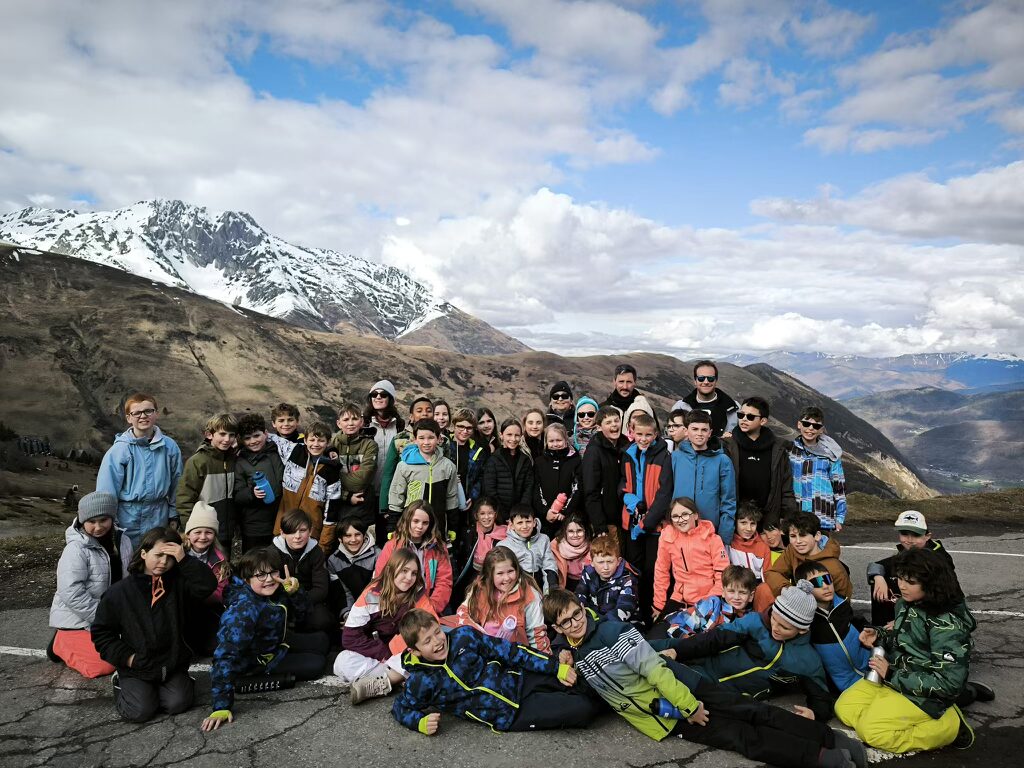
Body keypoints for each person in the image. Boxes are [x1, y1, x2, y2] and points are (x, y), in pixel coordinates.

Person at [545, 589, 865, 768]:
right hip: (666, 714)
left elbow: (656, 670)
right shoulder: (576, 651)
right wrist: (562, 660)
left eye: (577, 614)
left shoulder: (613, 633)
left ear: (583, 608)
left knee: (753, 717)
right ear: (557, 629)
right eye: (566, 622)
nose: (575, 623)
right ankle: (825, 755)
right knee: (744, 734)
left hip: (687, 693)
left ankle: (829, 743)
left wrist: (688, 707)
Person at [835, 548, 994, 754]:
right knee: (844, 708)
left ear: (931, 583)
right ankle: (893, 711)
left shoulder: (947, 625)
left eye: (910, 582)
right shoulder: (907, 603)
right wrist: (879, 635)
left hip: (922, 692)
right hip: (897, 678)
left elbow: (949, 684)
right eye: (900, 578)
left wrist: (891, 675)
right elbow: (905, 639)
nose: (901, 586)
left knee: (872, 732)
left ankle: (950, 727)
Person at [393, 609, 597, 735]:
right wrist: (419, 722)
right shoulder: (420, 681)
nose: (438, 641)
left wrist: (554, 667)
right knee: (583, 709)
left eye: (437, 632)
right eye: (427, 641)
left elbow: (510, 651)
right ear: (415, 651)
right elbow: (400, 707)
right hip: (508, 714)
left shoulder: (464, 636)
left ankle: (609, 697)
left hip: (518, 679)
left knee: (584, 683)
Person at [663, 580, 835, 725]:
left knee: (669, 682)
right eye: (774, 619)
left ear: (802, 629)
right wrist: (678, 651)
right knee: (657, 651)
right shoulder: (756, 622)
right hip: (706, 662)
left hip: (723, 693)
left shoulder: (807, 661)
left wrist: (815, 714)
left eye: (785, 627)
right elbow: (715, 639)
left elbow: (822, 696)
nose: (775, 628)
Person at [91, 527, 217, 723]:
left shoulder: (180, 584)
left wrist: (184, 559)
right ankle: (124, 684)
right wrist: (129, 659)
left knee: (178, 704)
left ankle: (162, 689)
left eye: (170, 557)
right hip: (137, 666)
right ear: (143, 553)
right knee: (140, 711)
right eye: (158, 555)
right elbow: (102, 633)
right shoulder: (119, 592)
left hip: (172, 664)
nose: (164, 562)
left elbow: (207, 585)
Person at [201, 547, 329, 732]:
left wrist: (295, 592)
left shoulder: (275, 589)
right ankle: (250, 678)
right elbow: (225, 656)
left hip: (276, 643)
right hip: (259, 661)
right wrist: (221, 707)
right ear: (247, 579)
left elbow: (304, 614)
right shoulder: (243, 610)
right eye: (260, 575)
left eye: (273, 572)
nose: (269, 579)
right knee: (317, 663)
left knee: (323, 641)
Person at [48, 491, 133, 678]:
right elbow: (71, 593)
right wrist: (104, 618)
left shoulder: (124, 540)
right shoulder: (75, 549)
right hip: (80, 619)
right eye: (91, 521)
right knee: (104, 665)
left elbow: (129, 579)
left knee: (139, 646)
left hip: (111, 616)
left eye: (103, 520)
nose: (98, 527)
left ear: (112, 517)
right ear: (82, 520)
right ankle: (60, 642)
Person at [335, 549, 437, 704]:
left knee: (426, 650)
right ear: (392, 569)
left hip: (405, 651)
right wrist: (384, 654)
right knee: (342, 662)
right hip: (378, 654)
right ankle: (401, 678)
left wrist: (398, 651)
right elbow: (350, 637)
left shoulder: (418, 593)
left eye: (414, 573)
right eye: (404, 571)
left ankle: (385, 682)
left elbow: (431, 626)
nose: (409, 578)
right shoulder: (372, 594)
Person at [95, 393, 183, 548]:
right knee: (128, 559)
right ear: (129, 418)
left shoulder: (169, 447)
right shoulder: (119, 450)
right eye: (136, 413)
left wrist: (173, 514)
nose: (143, 416)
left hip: (159, 517)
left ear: (156, 413)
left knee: (157, 557)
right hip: (127, 519)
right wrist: (109, 521)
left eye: (148, 411)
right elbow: (106, 491)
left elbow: (178, 483)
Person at [620, 412, 674, 619]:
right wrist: (630, 500)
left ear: (656, 434)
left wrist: (645, 524)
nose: (643, 439)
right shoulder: (627, 453)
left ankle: (653, 613)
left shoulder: (664, 457)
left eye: (648, 435)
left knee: (653, 572)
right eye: (639, 434)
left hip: (653, 527)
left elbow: (664, 494)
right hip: (631, 522)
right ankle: (635, 612)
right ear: (632, 433)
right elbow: (622, 483)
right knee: (633, 570)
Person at [866, 510, 961, 626]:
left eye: (916, 535)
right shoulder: (909, 553)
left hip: (936, 616)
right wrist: (878, 577)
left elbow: (945, 598)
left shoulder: (937, 560)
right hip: (915, 611)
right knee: (883, 576)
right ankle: (880, 627)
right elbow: (877, 565)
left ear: (927, 536)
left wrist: (904, 620)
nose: (909, 540)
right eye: (904, 533)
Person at [454, 547, 550, 651]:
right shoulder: (480, 588)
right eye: (500, 573)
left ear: (517, 570)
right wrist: (482, 637)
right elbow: (463, 613)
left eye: (510, 571)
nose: (507, 578)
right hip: (484, 649)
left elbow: (537, 637)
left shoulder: (530, 596)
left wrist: (544, 659)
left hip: (515, 655)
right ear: (490, 575)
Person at [269, 421, 343, 553]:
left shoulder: (332, 470)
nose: (316, 444)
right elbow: (268, 437)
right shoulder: (294, 451)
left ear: (328, 443)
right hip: (284, 525)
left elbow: (331, 510)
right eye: (312, 440)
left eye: (321, 441)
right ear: (305, 440)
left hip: (311, 532)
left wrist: (324, 546)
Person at [723, 397, 797, 530]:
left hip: (768, 521)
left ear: (763, 421)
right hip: (736, 520)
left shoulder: (778, 450)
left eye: (750, 417)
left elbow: (786, 490)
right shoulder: (728, 446)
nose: (744, 419)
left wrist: (787, 520)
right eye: (741, 415)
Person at [798, 561, 868, 694]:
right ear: (805, 588)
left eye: (827, 579)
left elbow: (858, 624)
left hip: (869, 668)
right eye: (817, 582)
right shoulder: (807, 619)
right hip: (842, 684)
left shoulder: (842, 604)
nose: (825, 586)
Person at [653, 498, 729, 620]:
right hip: (680, 598)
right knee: (660, 630)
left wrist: (710, 600)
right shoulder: (667, 537)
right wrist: (659, 604)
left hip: (708, 598)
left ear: (695, 515)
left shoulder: (712, 539)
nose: (680, 520)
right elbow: (661, 571)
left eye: (685, 514)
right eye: (675, 516)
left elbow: (723, 572)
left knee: (699, 630)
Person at [670, 410, 736, 545]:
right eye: (694, 429)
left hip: (710, 533)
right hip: (679, 530)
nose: (699, 434)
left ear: (710, 433)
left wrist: (724, 537)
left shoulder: (722, 460)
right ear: (686, 431)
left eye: (704, 430)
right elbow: (667, 492)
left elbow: (728, 500)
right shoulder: (675, 457)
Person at [376, 500, 454, 615]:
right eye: (415, 521)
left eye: (425, 523)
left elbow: (444, 581)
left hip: (430, 603)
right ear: (407, 520)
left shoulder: (439, 547)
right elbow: (381, 578)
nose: (420, 527)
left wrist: (431, 607)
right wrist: (397, 607)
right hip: (399, 605)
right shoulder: (392, 546)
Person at [387, 419, 460, 539]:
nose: (426, 442)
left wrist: (453, 527)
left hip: (438, 526)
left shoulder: (448, 466)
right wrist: (392, 527)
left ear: (439, 439)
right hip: (412, 526)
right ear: (415, 439)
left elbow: (451, 497)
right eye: (421, 438)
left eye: (431, 438)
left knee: (435, 551)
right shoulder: (404, 466)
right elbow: (396, 497)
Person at [762, 512, 853, 606]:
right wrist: (789, 590)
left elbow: (844, 602)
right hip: (797, 603)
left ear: (817, 536)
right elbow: (773, 573)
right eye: (793, 536)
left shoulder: (834, 567)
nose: (798, 541)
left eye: (803, 535)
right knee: (763, 588)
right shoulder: (792, 550)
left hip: (821, 609)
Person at [175, 413, 237, 545]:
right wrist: (190, 529)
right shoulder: (198, 461)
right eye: (222, 434)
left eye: (231, 435)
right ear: (209, 435)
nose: (227, 439)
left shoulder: (233, 460)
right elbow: (185, 499)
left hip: (226, 530)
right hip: (203, 532)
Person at [271, 509, 333, 633]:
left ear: (310, 531)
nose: (297, 536)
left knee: (324, 620)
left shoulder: (316, 552)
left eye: (302, 530)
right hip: (281, 599)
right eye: (291, 531)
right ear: (282, 533)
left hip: (308, 598)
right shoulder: (272, 553)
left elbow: (321, 589)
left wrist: (300, 599)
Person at [182, 502, 231, 655]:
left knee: (211, 647)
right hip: (180, 607)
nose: (203, 537)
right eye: (197, 532)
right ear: (188, 534)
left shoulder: (219, 559)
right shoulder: (179, 554)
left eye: (208, 532)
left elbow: (219, 592)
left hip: (206, 607)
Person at [379, 396, 434, 530]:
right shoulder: (399, 439)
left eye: (428, 410)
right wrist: (385, 506)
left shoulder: (442, 440)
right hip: (405, 502)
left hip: (434, 501)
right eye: (419, 411)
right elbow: (388, 474)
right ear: (411, 416)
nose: (424, 414)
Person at [789, 406, 847, 533]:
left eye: (816, 426)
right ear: (799, 424)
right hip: (797, 516)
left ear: (821, 430)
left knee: (823, 546)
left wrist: (839, 518)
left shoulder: (831, 454)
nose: (810, 428)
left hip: (823, 518)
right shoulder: (790, 451)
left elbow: (839, 487)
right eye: (806, 424)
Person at [233, 413, 283, 552]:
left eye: (256, 436)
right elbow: (237, 495)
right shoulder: (240, 462)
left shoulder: (278, 452)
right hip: (255, 526)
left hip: (279, 520)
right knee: (254, 561)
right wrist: (252, 493)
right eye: (247, 438)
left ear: (265, 434)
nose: (253, 441)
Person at [664, 565, 757, 640]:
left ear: (751, 596)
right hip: (671, 624)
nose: (736, 597)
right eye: (731, 591)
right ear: (723, 592)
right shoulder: (711, 604)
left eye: (742, 593)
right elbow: (675, 627)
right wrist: (692, 641)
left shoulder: (750, 617)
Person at [581, 405, 629, 544]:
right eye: (608, 422)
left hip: (625, 517)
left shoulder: (626, 446)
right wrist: (599, 524)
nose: (614, 425)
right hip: (606, 521)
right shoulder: (594, 452)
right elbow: (591, 490)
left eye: (616, 420)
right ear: (599, 427)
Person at [329, 401, 378, 529]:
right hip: (337, 504)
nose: (350, 423)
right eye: (346, 420)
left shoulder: (370, 445)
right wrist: (346, 496)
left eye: (355, 419)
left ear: (361, 422)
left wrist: (336, 478)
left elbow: (361, 480)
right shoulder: (331, 444)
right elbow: (325, 479)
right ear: (339, 423)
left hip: (362, 504)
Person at [363, 380, 404, 527]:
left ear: (390, 398)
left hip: (390, 492)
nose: (378, 397)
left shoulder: (400, 426)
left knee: (386, 532)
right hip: (367, 490)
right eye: (374, 394)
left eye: (383, 394)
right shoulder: (363, 424)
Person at [574, 534, 639, 625]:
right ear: (592, 562)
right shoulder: (588, 573)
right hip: (593, 619)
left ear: (618, 561)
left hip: (623, 624)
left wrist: (597, 624)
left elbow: (624, 608)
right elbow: (579, 596)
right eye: (600, 562)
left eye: (610, 561)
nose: (606, 567)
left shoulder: (628, 580)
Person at [326, 516, 381, 623]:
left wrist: (366, 615)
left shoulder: (378, 555)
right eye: (348, 535)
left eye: (357, 534)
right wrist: (348, 615)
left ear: (364, 535)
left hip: (374, 610)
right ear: (340, 539)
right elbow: (342, 592)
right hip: (352, 611)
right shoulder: (334, 560)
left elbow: (377, 589)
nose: (353, 540)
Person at [533, 422, 582, 537]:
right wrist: (545, 511)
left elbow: (578, 488)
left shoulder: (575, 461)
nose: (555, 444)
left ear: (565, 440)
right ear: (546, 442)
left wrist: (565, 511)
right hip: (545, 517)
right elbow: (536, 488)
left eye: (559, 440)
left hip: (567, 518)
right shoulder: (540, 462)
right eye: (551, 441)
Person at [671, 360, 739, 440]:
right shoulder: (680, 407)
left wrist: (730, 439)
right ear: (695, 381)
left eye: (710, 378)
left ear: (716, 381)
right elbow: (671, 434)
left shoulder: (734, 407)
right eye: (701, 378)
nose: (706, 382)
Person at [445, 408, 487, 536]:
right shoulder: (445, 446)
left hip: (466, 502)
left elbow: (480, 477)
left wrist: (472, 497)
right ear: (454, 426)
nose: (465, 431)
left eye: (469, 428)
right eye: (461, 426)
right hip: (446, 500)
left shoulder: (477, 450)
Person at [497, 504, 559, 592]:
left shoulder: (543, 539)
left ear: (534, 522)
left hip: (539, 587)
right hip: (516, 589)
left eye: (528, 521)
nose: (525, 526)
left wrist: (549, 592)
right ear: (511, 525)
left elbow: (549, 566)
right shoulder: (503, 546)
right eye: (520, 523)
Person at [481, 417, 534, 516]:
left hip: (520, 514)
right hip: (500, 514)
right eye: (509, 435)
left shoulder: (525, 460)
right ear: (501, 435)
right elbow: (490, 490)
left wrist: (520, 512)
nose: (513, 439)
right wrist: (502, 514)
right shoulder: (493, 460)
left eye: (517, 435)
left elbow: (528, 487)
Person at [729, 502, 773, 581]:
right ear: (735, 523)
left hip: (758, 585)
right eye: (743, 523)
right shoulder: (728, 545)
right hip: (736, 586)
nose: (749, 528)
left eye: (753, 523)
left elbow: (768, 576)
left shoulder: (763, 547)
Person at [550, 512, 593, 591]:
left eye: (579, 530)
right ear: (565, 532)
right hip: (564, 589)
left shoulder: (594, 548)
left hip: (588, 587)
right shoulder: (555, 547)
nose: (575, 535)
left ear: (585, 531)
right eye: (571, 531)